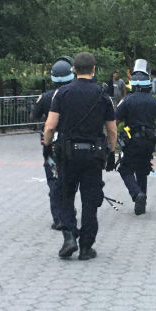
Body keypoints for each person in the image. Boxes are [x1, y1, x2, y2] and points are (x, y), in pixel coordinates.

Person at [43, 52, 117, 260]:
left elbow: (50, 126)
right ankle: (86, 246)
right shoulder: (103, 95)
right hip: (94, 155)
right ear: (94, 69)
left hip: (67, 154)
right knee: (90, 200)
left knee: (66, 196)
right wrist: (111, 152)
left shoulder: (62, 93)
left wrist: (47, 146)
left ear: (73, 70)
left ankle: (69, 237)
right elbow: (111, 130)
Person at [30, 57, 74, 230]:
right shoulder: (76, 94)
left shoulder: (46, 97)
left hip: (52, 144)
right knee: (70, 180)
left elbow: (33, 117)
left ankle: (58, 218)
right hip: (72, 143)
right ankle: (70, 213)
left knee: (54, 180)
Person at [115, 60, 156, 215]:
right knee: (143, 169)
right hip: (149, 141)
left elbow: (115, 120)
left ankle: (137, 194)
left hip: (132, 140)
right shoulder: (154, 100)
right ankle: (141, 203)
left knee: (125, 168)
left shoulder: (127, 100)